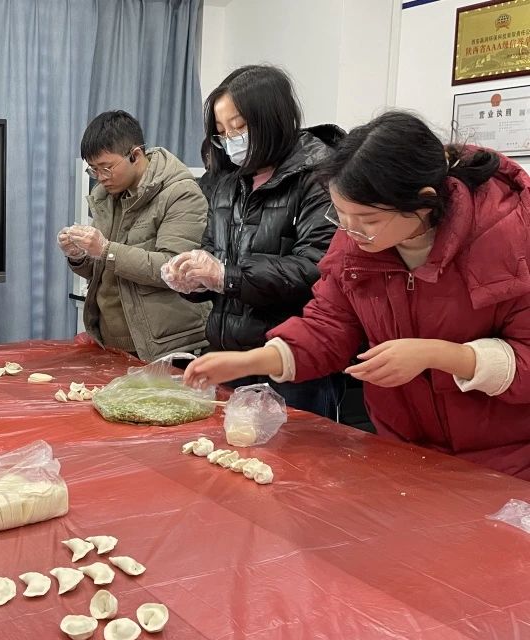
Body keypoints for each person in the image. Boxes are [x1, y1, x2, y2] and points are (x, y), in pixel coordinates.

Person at [184, 111, 530, 478]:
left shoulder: (509, 240)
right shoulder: (355, 244)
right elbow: (329, 326)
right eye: (342, 216)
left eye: (367, 220)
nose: (352, 233)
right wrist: (251, 361)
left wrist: (440, 355)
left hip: (505, 456)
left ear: (423, 204)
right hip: (405, 447)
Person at [161, 65, 345, 418]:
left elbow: (317, 268)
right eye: (222, 132)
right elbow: (216, 252)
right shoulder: (230, 181)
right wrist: (192, 278)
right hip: (230, 357)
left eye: (240, 127)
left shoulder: (319, 178)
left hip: (292, 363)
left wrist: (225, 275)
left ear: (272, 118)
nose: (231, 140)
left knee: (294, 465)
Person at [58, 110, 209, 360]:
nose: (101, 178)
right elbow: (104, 269)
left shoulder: (181, 194)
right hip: (111, 340)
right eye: (94, 170)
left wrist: (105, 249)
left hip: (164, 345)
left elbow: (174, 269)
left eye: (106, 168)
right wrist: (79, 256)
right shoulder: (107, 196)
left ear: (135, 155)